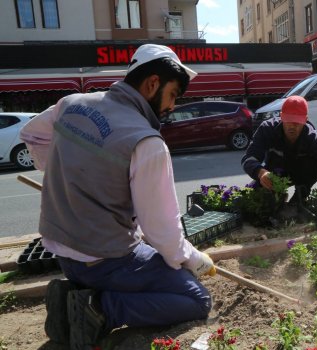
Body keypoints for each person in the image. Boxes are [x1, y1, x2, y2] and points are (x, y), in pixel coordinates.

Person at [20, 44, 216, 349]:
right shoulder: (146, 142)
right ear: (153, 84)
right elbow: (162, 234)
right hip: (105, 261)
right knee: (196, 298)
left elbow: (32, 135)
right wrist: (194, 259)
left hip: (64, 255)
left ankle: (71, 298)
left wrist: (68, 170)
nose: (172, 106)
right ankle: (100, 309)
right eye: (174, 95)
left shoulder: (71, 103)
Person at [241, 95, 317, 210]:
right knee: (261, 204)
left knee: (298, 207)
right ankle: (277, 196)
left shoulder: (313, 138)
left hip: (303, 175)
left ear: (305, 120)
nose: (292, 126)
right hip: (275, 175)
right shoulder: (267, 129)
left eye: (297, 122)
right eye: (288, 121)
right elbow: (248, 158)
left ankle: (299, 197)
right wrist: (261, 172)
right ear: (282, 116)